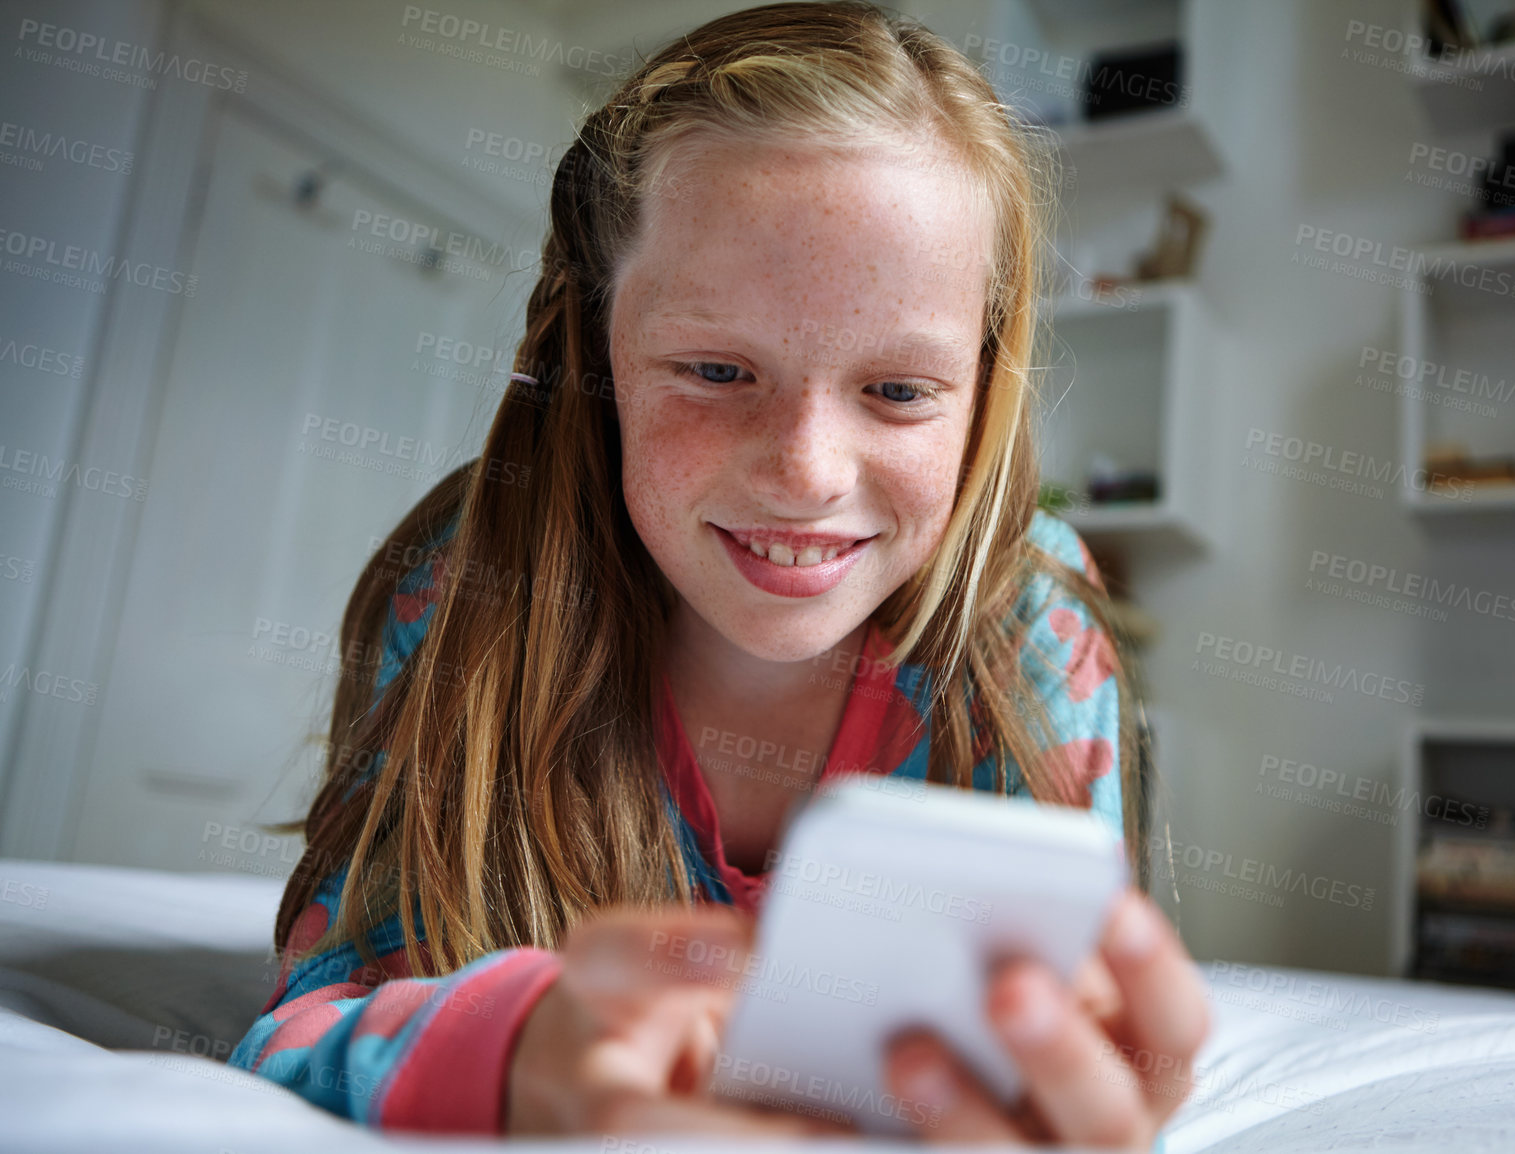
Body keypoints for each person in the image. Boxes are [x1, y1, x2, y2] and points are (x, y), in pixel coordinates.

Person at [229, 1, 1210, 1145]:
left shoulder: (1026, 614)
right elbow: (304, 1023)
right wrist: (524, 1052)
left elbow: (1058, 1029)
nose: (804, 472)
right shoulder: (466, 583)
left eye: (897, 389)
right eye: (714, 368)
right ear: (589, 349)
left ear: (984, 389)